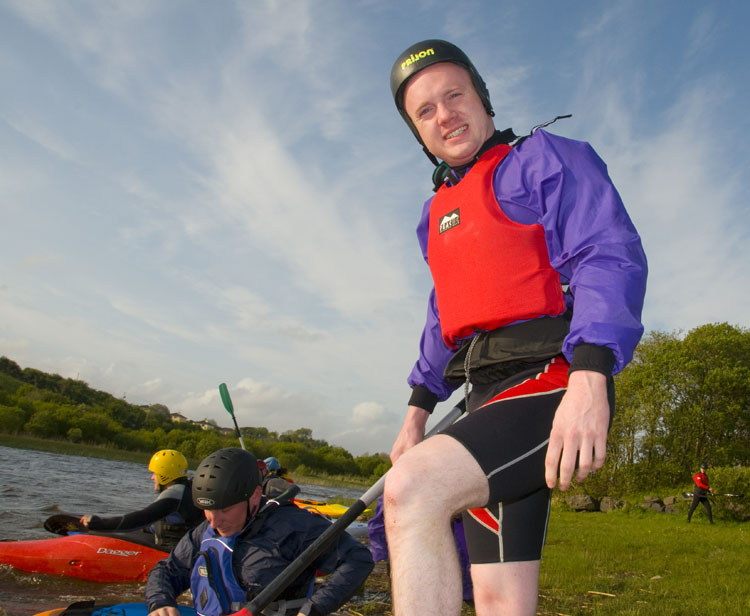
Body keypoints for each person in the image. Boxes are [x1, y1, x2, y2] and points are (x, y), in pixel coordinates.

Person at [382, 39, 648, 615]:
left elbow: (608, 254)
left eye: (454, 95)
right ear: (417, 133)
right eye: (424, 111)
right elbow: (443, 313)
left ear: (483, 98)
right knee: (502, 599)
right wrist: (416, 412)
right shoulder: (436, 216)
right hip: (484, 395)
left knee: (413, 491)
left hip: (551, 378)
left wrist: (590, 378)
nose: (444, 115)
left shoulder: (546, 159)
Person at [145, 447, 373, 616]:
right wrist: (160, 601)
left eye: (224, 510)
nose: (214, 522)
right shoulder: (205, 531)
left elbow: (358, 559)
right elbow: (168, 570)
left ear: (254, 495)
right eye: (207, 510)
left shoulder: (293, 526)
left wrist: (313, 609)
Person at [80, 449, 203, 548]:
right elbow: (162, 523)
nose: (152, 477)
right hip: (181, 549)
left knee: (120, 533)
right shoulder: (186, 489)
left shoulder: (174, 494)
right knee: (131, 533)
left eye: (154, 473)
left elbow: (139, 519)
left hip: (173, 556)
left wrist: (100, 524)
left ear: (164, 473)